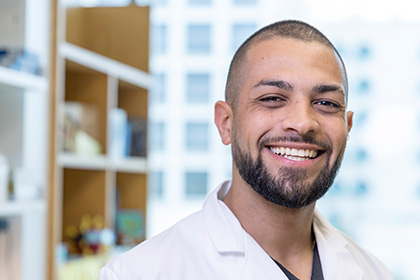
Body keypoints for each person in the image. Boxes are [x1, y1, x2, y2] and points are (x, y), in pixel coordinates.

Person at [99, 20, 392, 280]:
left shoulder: (373, 272)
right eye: (273, 98)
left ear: (348, 125)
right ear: (226, 123)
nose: (302, 123)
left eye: (326, 103)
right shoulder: (139, 273)